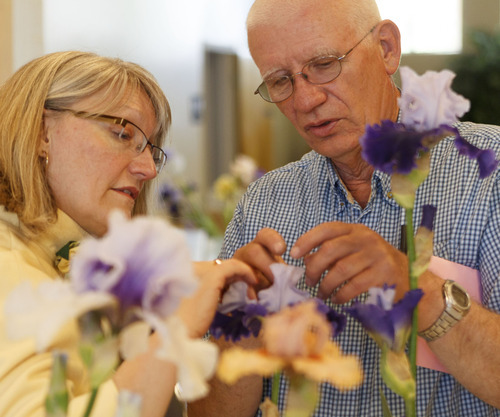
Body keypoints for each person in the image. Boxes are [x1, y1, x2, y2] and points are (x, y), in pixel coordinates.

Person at [187, 0, 500, 416]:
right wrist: (239, 324)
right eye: (280, 81)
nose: (306, 99)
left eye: (323, 64)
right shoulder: (264, 204)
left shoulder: (489, 175)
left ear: (387, 48)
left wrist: (418, 292)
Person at [0, 51, 258, 417]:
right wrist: (177, 327)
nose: (149, 169)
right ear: (42, 132)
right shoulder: (8, 263)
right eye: (122, 133)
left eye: (150, 149)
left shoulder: (54, 255)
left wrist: (214, 273)